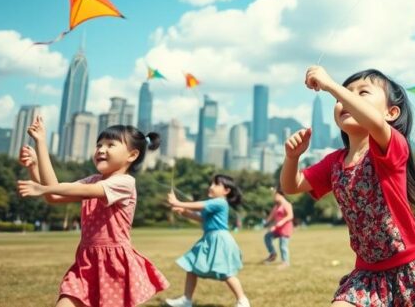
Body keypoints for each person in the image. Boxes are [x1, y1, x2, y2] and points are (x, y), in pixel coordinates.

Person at [281, 67, 415, 306]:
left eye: (362, 92)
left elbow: (374, 123)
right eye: (342, 97)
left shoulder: (392, 147)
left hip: (407, 267)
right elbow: (292, 186)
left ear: (391, 113)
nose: (346, 99)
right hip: (366, 273)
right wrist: (292, 158)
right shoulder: (334, 162)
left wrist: (333, 86)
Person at [17, 115, 169, 307]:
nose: (101, 150)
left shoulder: (125, 183)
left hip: (114, 266)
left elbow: (63, 190)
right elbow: (54, 194)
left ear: (132, 155)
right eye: (99, 145)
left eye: (110, 145)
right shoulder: (92, 179)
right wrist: (36, 159)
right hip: (86, 262)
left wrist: (44, 188)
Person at [165, 175, 250, 307]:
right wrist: (184, 212)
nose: (211, 187)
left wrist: (177, 202)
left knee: (226, 272)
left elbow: (199, 206)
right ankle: (186, 300)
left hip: (220, 240)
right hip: (209, 239)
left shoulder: (220, 202)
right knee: (191, 266)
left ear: (226, 191)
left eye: (216, 184)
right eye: (211, 184)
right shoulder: (213, 204)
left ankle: (243, 301)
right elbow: (202, 218)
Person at [262, 186, 294, 268]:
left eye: (275, 195)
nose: (274, 197)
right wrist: (266, 223)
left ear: (280, 195)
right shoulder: (276, 206)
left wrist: (281, 222)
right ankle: (273, 254)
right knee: (267, 236)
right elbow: (271, 216)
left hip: (285, 228)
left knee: (283, 245)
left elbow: (290, 216)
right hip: (277, 228)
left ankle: (285, 262)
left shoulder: (286, 204)